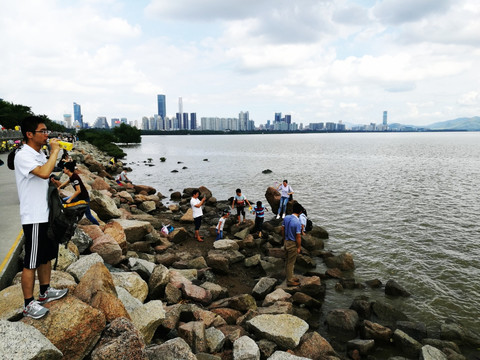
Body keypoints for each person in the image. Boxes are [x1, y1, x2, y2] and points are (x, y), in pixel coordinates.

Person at [14, 116, 68, 319]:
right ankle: (28, 304)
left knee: (45, 256)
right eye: (43, 131)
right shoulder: (23, 155)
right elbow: (43, 173)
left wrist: (53, 180)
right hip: (34, 216)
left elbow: (45, 176)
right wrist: (55, 152)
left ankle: (45, 292)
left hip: (46, 213)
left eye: (47, 131)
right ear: (30, 134)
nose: (47, 135)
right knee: (32, 260)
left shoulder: (37, 154)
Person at [54, 161, 100, 226]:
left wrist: (70, 199)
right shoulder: (72, 176)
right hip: (78, 197)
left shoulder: (75, 178)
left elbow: (78, 191)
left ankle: (98, 225)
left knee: (88, 215)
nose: (63, 169)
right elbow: (67, 182)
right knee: (62, 201)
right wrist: (60, 187)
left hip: (84, 198)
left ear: (68, 170)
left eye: (64, 168)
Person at [282, 202, 303, 286]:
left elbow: (282, 229)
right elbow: (298, 237)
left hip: (286, 241)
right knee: (291, 262)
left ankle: (290, 276)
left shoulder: (286, 218)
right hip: (292, 243)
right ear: (300, 212)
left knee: (287, 261)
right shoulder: (297, 222)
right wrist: (299, 247)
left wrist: (284, 239)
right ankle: (290, 281)